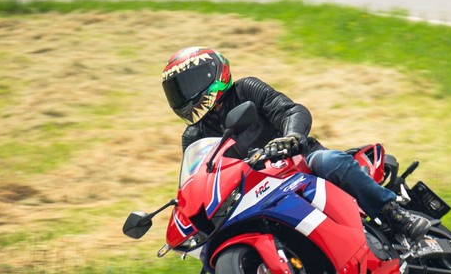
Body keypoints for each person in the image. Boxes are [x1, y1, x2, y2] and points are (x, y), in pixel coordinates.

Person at [161, 46, 431, 241]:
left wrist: (290, 138)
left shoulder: (245, 90)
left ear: (213, 74)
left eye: (188, 84)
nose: (184, 95)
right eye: (177, 91)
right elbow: (199, 178)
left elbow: (291, 110)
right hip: (253, 189)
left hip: (297, 162)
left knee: (331, 161)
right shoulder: (193, 136)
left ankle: (394, 214)